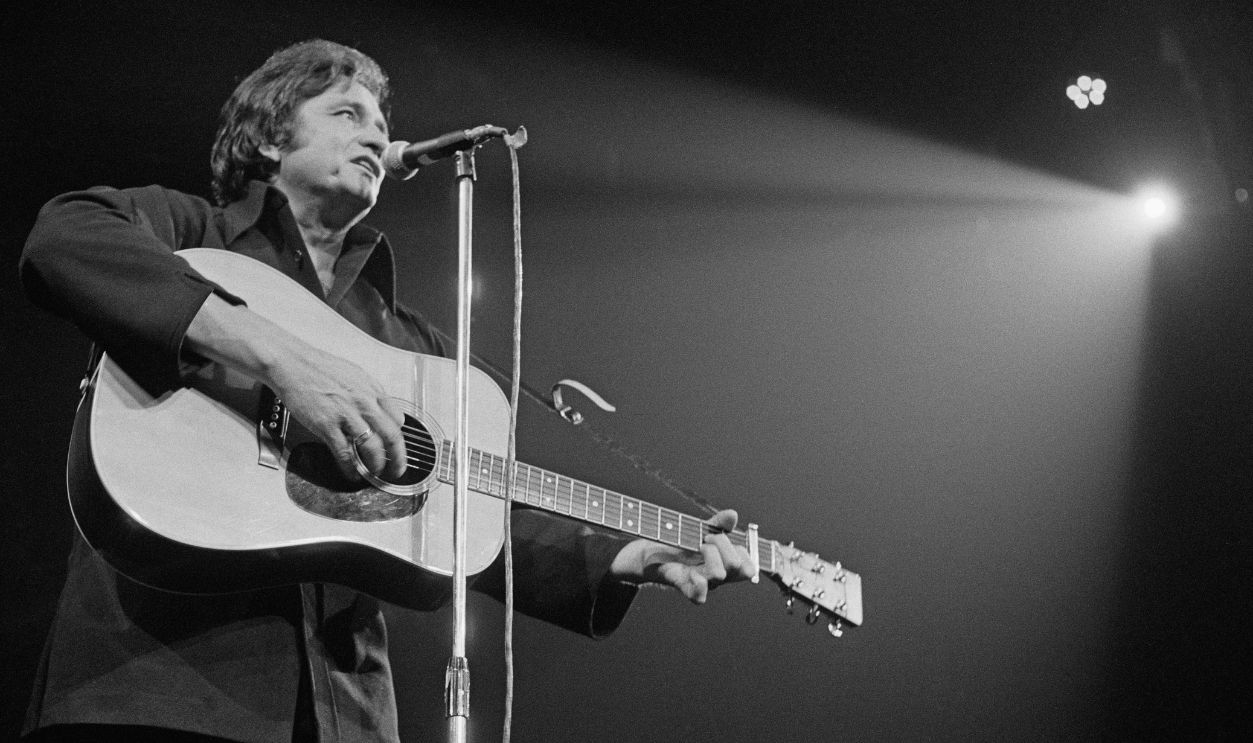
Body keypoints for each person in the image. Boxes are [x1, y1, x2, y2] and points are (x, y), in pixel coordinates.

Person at [19, 39, 755, 743]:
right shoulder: (191, 231)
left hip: (346, 705)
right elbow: (63, 238)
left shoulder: (411, 346)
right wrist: (283, 359)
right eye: (346, 113)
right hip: (154, 681)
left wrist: (632, 557)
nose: (375, 134)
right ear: (270, 137)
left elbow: (468, 519)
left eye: (381, 121)